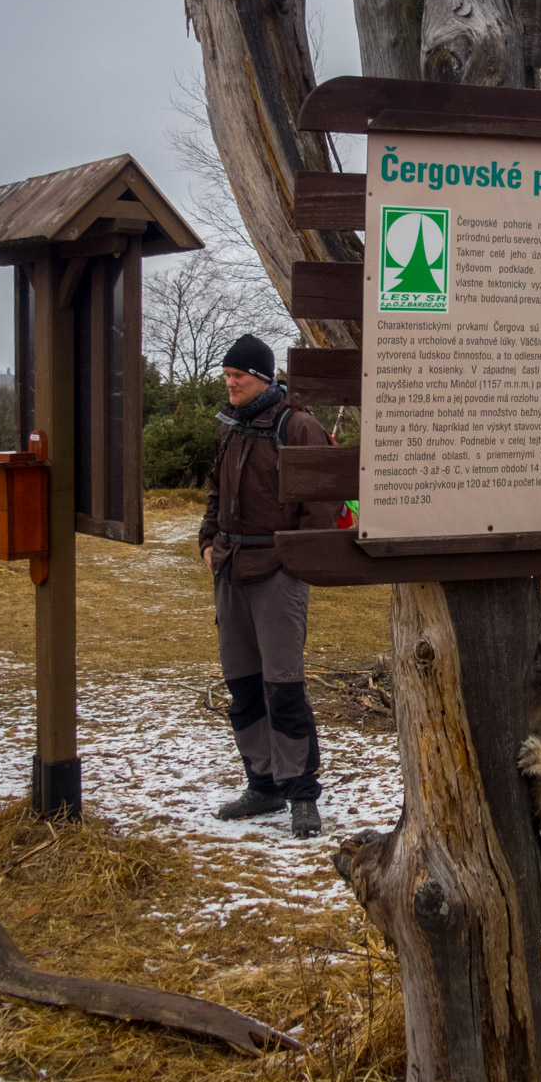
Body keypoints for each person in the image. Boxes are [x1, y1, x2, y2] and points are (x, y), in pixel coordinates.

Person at [199, 333, 339, 836]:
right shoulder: (230, 428)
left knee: (283, 686)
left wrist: (292, 558)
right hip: (231, 568)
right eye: (228, 375)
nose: (230, 383)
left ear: (261, 376)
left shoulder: (296, 425)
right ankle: (262, 784)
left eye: (237, 375)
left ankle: (301, 792)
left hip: (278, 574)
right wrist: (207, 542)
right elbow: (215, 491)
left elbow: (324, 501)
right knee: (243, 686)